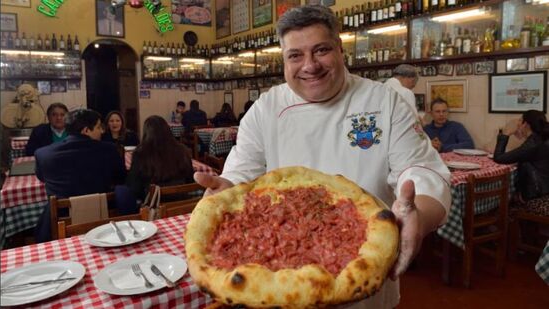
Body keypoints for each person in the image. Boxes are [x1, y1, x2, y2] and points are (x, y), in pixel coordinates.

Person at [193, 6, 451, 308]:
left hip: (364, 284)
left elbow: (423, 172)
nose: (310, 65)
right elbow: (239, 177)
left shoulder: (384, 101)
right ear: (284, 60)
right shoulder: (266, 109)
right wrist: (225, 190)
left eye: (321, 50)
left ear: (340, 50)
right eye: (295, 55)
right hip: (280, 280)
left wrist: (416, 216)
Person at [34, 109, 126, 242]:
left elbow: (42, 177)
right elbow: (120, 178)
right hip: (103, 212)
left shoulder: (43, 154)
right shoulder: (109, 150)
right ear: (86, 130)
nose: (102, 131)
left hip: (62, 216)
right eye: (99, 127)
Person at [126, 116, 194, 201]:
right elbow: (190, 179)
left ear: (146, 133)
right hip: (181, 201)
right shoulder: (182, 150)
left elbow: (135, 187)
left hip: (154, 203)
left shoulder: (140, 153)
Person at [493, 110, 549, 202]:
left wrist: (505, 134)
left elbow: (498, 158)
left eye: (519, 121)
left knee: (505, 203)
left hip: (538, 198)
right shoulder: (542, 138)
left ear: (525, 124)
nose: (517, 125)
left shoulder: (532, 144)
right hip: (544, 192)